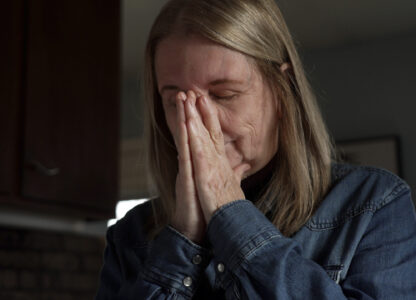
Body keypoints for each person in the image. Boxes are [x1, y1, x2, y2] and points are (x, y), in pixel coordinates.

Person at [96, 0, 416, 299]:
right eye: (175, 101)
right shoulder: (130, 235)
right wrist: (183, 238)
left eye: (224, 95)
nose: (198, 124)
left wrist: (230, 215)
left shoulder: (374, 204)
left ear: (283, 91)